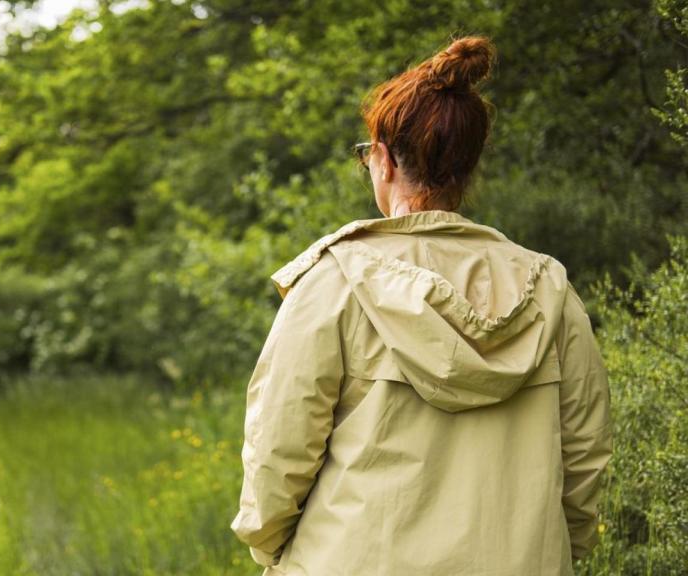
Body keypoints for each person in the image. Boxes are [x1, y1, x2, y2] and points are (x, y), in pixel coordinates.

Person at [229, 35, 612, 576]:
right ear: (468, 165)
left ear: (383, 160)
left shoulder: (333, 284)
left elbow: (278, 452)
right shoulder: (551, 292)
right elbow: (585, 459)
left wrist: (272, 550)